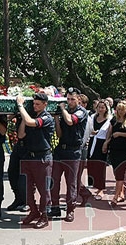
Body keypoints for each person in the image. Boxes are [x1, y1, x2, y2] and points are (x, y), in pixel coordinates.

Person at [49, 87, 88, 222]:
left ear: (78, 99)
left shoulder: (81, 112)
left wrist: (63, 109)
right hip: (61, 149)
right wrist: (56, 119)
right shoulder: (63, 113)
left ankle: (70, 210)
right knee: (54, 179)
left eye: (72, 99)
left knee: (71, 182)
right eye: (68, 99)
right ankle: (55, 207)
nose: (70, 101)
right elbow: (59, 133)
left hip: (73, 151)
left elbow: (71, 121)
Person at [16, 92, 54, 229]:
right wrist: (23, 118)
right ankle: (33, 211)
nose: (35, 106)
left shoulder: (47, 117)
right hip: (29, 156)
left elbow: (32, 123)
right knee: (26, 187)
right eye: (33, 104)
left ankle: (44, 215)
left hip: (42, 157)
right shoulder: (30, 116)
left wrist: (20, 106)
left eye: (38, 104)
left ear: (45, 104)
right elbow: (21, 135)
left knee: (43, 189)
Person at [103, 100, 126, 206]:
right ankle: (121, 193)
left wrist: (120, 134)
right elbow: (109, 132)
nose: (120, 112)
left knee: (120, 173)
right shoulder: (114, 119)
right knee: (117, 172)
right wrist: (106, 143)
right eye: (119, 109)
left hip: (125, 150)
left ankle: (115, 197)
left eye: (122, 110)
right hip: (114, 149)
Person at [87, 100, 111, 200]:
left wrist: (106, 143)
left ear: (106, 109)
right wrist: (91, 132)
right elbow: (88, 129)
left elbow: (109, 134)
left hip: (101, 144)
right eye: (99, 107)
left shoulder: (110, 120)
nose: (100, 109)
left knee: (100, 166)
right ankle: (93, 184)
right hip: (92, 142)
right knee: (91, 164)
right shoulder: (92, 117)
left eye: (102, 107)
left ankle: (101, 189)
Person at [6, 115, 28, 212]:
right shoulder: (19, 113)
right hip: (18, 146)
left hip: (29, 146)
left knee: (25, 177)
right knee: (12, 173)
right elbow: (9, 117)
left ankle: (28, 201)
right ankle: (18, 198)